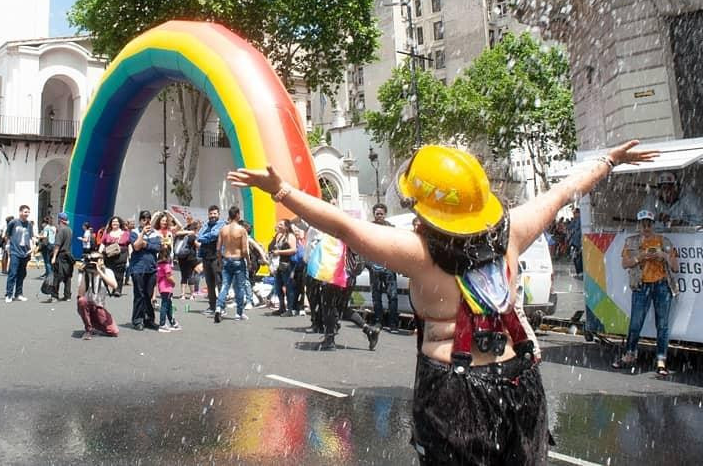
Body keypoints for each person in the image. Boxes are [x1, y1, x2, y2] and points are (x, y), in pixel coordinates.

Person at [228, 139, 658, 464]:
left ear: (427, 208)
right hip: (519, 382)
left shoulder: (420, 254)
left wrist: (282, 190)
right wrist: (609, 161)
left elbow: (342, 226)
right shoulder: (512, 233)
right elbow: (562, 193)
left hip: (456, 390)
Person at [612, 209, 680, 377]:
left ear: (653, 225)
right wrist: (641, 257)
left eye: (649, 224)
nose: (646, 227)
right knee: (635, 323)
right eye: (643, 224)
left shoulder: (664, 241)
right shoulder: (631, 242)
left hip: (662, 285)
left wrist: (663, 255)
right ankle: (629, 354)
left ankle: (661, 359)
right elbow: (625, 264)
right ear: (639, 225)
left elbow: (675, 267)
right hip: (641, 286)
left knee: (662, 325)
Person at [367, 203, 400, 332]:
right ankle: (378, 322)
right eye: (377, 213)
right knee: (376, 297)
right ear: (374, 214)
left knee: (392, 296)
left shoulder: (391, 228)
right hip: (374, 269)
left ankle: (393, 324)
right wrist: (369, 265)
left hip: (389, 268)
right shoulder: (369, 228)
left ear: (385, 214)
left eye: (381, 213)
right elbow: (364, 246)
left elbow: (396, 246)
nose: (379, 215)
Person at [213, 206, 249, 323]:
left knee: (225, 285)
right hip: (238, 259)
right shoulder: (241, 230)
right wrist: (248, 262)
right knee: (239, 287)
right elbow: (244, 250)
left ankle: (219, 307)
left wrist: (219, 260)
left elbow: (218, 248)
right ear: (238, 215)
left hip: (226, 258)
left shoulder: (223, 229)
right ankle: (239, 313)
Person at [128, 211, 162, 330]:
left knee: (148, 295)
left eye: (148, 218)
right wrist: (142, 233)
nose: (146, 220)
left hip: (151, 269)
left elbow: (157, 247)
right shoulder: (134, 232)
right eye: (143, 218)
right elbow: (136, 246)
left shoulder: (155, 233)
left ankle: (149, 319)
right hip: (138, 268)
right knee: (139, 294)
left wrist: (145, 244)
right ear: (140, 220)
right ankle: (137, 319)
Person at [639, 171, 703, 230]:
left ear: (677, 187)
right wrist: (656, 221)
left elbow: (701, 224)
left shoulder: (689, 199)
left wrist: (680, 223)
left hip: (685, 240)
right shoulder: (652, 199)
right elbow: (643, 223)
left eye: (670, 187)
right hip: (658, 239)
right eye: (663, 188)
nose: (666, 191)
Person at [76, 251, 119, 339]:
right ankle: (88, 329)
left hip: (99, 307)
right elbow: (80, 294)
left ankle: (94, 322)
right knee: (81, 300)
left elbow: (114, 285)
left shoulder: (107, 271)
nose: (93, 262)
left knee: (114, 331)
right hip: (87, 304)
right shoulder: (85, 273)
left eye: (95, 260)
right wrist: (84, 274)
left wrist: (100, 272)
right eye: (91, 260)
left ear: (101, 261)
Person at [196, 205, 224, 315]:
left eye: (214, 214)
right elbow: (199, 236)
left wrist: (205, 237)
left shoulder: (221, 224)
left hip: (216, 257)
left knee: (219, 282)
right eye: (211, 214)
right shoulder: (205, 225)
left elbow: (214, 234)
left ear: (218, 214)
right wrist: (206, 237)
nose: (212, 216)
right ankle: (212, 306)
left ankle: (221, 307)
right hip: (206, 257)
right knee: (209, 283)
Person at [4, 205, 35, 303]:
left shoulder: (29, 224)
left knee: (22, 274)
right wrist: (8, 246)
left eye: (28, 212)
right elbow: (7, 235)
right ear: (20, 212)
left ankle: (18, 294)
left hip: (25, 252)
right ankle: (9, 294)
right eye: (25, 212)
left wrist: (33, 247)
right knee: (13, 273)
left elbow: (31, 237)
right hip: (15, 251)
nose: (27, 214)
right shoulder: (13, 223)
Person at [268, 219, 298, 316]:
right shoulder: (279, 235)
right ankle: (282, 307)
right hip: (278, 265)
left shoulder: (290, 236)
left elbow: (293, 250)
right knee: (278, 286)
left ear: (286, 226)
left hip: (287, 264)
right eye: (278, 224)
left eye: (281, 224)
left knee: (289, 287)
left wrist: (279, 252)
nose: (278, 226)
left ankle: (290, 309)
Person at [98, 216, 130, 297]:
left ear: (120, 223)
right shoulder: (107, 233)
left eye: (116, 222)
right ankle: (107, 288)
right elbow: (102, 244)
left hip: (121, 256)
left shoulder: (125, 233)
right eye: (113, 222)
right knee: (108, 271)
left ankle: (117, 290)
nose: (115, 223)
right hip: (109, 256)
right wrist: (99, 254)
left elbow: (129, 245)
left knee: (119, 273)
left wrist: (130, 256)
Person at [50, 212, 75, 301]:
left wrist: (54, 257)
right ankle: (67, 295)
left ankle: (54, 295)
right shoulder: (69, 230)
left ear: (60, 220)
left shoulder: (61, 230)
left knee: (57, 275)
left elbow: (57, 245)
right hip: (68, 255)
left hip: (60, 255)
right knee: (67, 275)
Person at [174, 218, 200, 300]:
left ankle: (182, 295)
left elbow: (176, 234)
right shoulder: (193, 236)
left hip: (181, 257)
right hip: (190, 258)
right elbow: (197, 245)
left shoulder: (183, 234)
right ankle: (192, 295)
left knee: (183, 275)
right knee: (190, 275)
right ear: (195, 229)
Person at [156, 246, 180, 332]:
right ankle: (162, 324)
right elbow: (169, 276)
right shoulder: (166, 266)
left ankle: (172, 322)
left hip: (161, 287)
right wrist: (174, 282)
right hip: (167, 287)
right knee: (165, 305)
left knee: (169, 305)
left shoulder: (158, 265)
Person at [568, 207, 583, 277]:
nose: (574, 215)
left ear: (578, 213)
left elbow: (579, 231)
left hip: (578, 242)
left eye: (575, 213)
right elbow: (569, 227)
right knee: (575, 257)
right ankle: (578, 272)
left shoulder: (580, 220)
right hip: (574, 241)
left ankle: (580, 272)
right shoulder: (575, 220)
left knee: (578, 258)